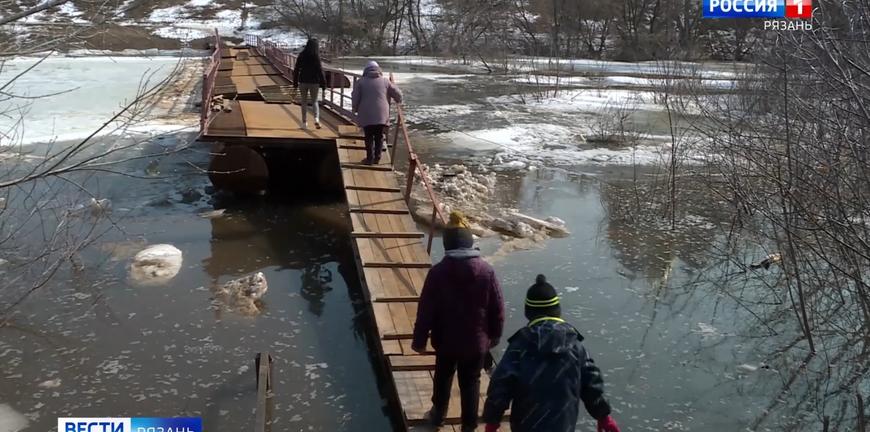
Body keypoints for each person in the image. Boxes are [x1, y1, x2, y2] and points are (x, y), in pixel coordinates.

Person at [481, 274, 621, 432]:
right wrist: (604, 417)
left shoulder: (519, 346)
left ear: (528, 313)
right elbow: (592, 385)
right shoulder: (575, 346)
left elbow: (500, 385)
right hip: (564, 426)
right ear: (557, 311)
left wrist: (492, 422)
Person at [412, 211, 505, 432]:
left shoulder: (437, 273)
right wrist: (494, 336)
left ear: (447, 245)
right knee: (471, 382)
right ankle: (469, 425)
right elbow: (498, 308)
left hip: (446, 341)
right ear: (470, 243)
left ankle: (438, 415)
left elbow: (426, 310)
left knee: (443, 377)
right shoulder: (486, 272)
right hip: (475, 343)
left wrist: (419, 340)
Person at [351, 60, 402, 165]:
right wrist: (399, 100)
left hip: (366, 113)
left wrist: (355, 108)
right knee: (379, 135)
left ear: (365, 70)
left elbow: (355, 97)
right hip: (381, 114)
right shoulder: (385, 81)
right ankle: (377, 157)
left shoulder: (361, 82)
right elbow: (397, 93)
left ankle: (369, 158)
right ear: (379, 70)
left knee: (368, 136)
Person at [293, 38, 326, 129]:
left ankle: (304, 123)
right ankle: (316, 119)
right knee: (314, 101)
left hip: (303, 81)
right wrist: (323, 84)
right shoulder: (316, 56)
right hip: (314, 82)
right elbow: (320, 71)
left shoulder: (302, 55)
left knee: (303, 102)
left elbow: (296, 70)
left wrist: (295, 82)